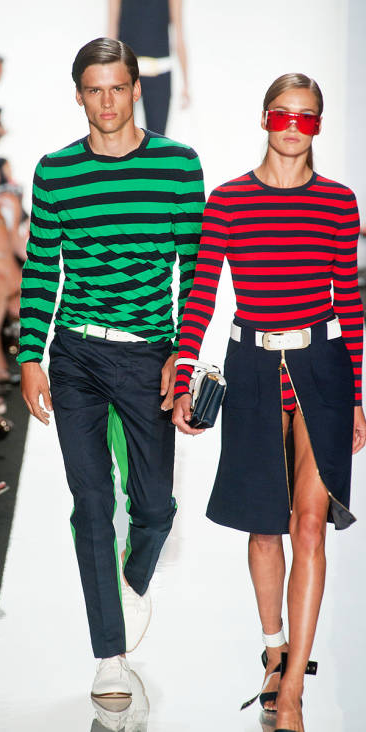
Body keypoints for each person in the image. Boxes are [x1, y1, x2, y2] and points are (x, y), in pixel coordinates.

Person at [173, 73, 366, 732]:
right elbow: (201, 294)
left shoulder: (338, 202)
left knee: (310, 525)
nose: (292, 127)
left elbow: (350, 303)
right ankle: (274, 650)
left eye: (306, 118)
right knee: (265, 525)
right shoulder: (228, 201)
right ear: (264, 119)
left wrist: (357, 397)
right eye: (282, 115)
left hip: (322, 369)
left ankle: (292, 695)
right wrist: (183, 376)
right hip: (253, 367)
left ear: (318, 126)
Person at [19, 37, 204, 703]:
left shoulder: (178, 165)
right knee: (92, 502)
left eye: (117, 87)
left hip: (149, 353)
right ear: (79, 95)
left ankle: (128, 585)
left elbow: (196, 271)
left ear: (135, 89)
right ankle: (109, 653)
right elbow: (42, 266)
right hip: (75, 353)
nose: (106, 101)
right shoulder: (55, 171)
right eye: (94, 89)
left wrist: (183, 355)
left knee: (154, 509)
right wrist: (29, 355)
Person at [108, 0, 190, 134]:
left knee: (156, 139)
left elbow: (178, 35)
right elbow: (112, 33)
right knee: (121, 135)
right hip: (125, 73)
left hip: (159, 74)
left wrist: (185, 83)